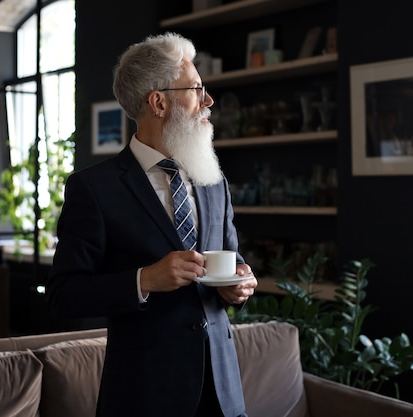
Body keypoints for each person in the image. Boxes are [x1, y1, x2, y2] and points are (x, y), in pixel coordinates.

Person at [46, 32, 257, 417]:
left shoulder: (214, 180)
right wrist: (143, 280)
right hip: (144, 395)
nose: (208, 101)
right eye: (195, 89)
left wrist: (240, 283)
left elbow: (230, 257)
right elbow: (63, 294)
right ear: (158, 102)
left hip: (223, 393)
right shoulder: (93, 189)